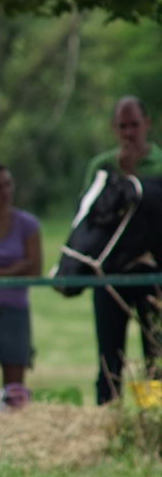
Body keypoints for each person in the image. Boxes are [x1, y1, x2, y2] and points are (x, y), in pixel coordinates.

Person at [79, 96, 162, 404]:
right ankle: (108, 416)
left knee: (156, 355)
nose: (129, 133)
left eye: (134, 125)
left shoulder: (160, 163)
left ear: (147, 125)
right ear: (114, 128)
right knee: (109, 356)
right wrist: (122, 175)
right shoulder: (101, 166)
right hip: (111, 273)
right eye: (123, 126)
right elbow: (90, 216)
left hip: (153, 273)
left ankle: (152, 415)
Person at [0, 162, 41, 410]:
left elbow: (34, 270)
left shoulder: (28, 224)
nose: (4, 192)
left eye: (8, 185)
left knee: (15, 386)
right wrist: (12, 270)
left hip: (14, 310)